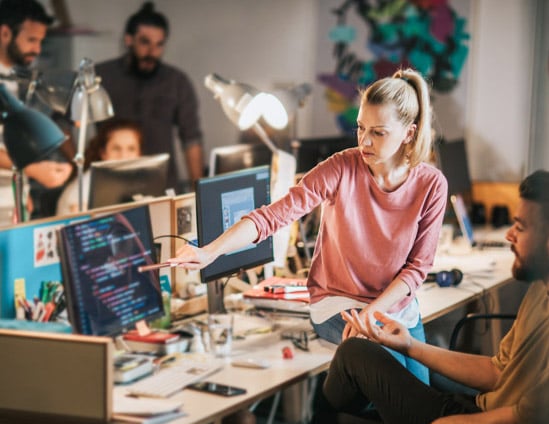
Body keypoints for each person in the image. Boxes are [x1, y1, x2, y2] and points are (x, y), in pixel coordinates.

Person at [169, 67, 448, 383]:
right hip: (338, 303)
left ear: (409, 133)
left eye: (379, 132)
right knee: (398, 383)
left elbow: (417, 268)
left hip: (395, 308)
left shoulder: (432, 185)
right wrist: (210, 251)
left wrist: (371, 314)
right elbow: (272, 216)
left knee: (422, 396)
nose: (365, 141)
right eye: (360, 128)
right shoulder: (342, 167)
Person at [311, 170, 549, 424]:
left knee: (352, 357)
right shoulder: (540, 288)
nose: (509, 234)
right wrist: (410, 346)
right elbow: (498, 372)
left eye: (521, 227)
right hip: (484, 413)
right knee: (337, 423)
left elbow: (527, 422)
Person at [95, 1, 204, 192]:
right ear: (129, 40)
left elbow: (191, 139)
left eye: (159, 45)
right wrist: (76, 171)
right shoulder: (102, 77)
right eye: (145, 42)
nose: (152, 52)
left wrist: (199, 193)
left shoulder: (176, 81)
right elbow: (64, 123)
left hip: (164, 186)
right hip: (111, 186)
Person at [0, 0, 74, 221]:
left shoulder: (20, 82)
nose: (38, 49)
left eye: (41, 41)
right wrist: (32, 169)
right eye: (31, 40)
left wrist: (21, 189)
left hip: (12, 203)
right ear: (5, 33)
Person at [56, 118, 143, 215]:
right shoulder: (82, 190)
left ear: (139, 154)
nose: (123, 156)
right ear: (103, 153)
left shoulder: (138, 182)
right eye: (116, 149)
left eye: (131, 149)